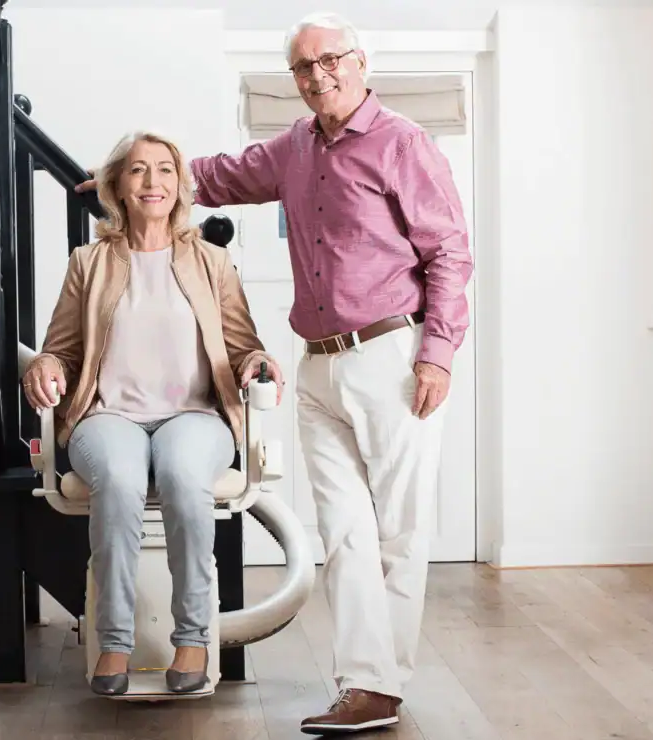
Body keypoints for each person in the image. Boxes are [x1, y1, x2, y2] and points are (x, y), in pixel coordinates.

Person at [77, 10, 473, 734]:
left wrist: (438, 353)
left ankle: (382, 685)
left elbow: (450, 252)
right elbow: (220, 176)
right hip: (317, 365)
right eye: (303, 67)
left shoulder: (403, 144)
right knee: (345, 532)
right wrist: (126, 179)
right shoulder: (295, 147)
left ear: (361, 63)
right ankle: (363, 684)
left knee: (399, 532)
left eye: (331, 60)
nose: (318, 75)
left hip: (393, 356)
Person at [23, 130, 283, 697]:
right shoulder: (88, 262)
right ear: (117, 184)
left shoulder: (212, 261)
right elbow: (60, 349)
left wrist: (259, 360)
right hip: (107, 416)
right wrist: (41, 366)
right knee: (116, 478)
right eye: (138, 170)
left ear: (180, 184)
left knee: (184, 474)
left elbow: (243, 345)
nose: (152, 182)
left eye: (165, 169)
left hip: (193, 415)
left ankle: (193, 637)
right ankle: (112, 642)